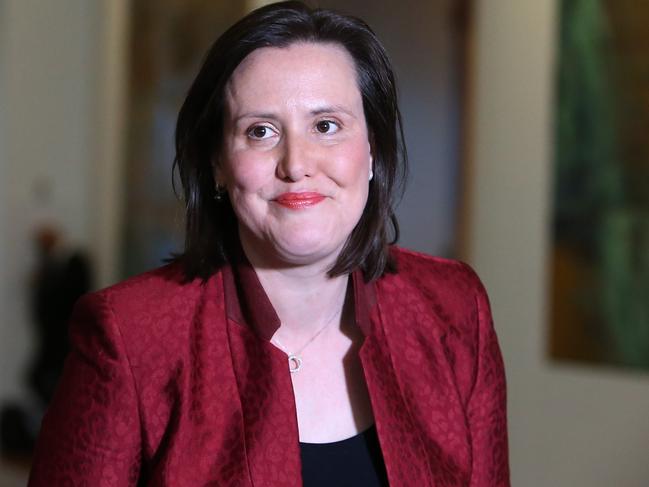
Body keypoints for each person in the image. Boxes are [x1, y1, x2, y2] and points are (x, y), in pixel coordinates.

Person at [28, 2, 509, 486]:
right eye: (261, 131)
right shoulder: (129, 338)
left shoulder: (454, 310)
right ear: (217, 162)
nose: (295, 163)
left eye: (326, 126)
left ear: (372, 151)